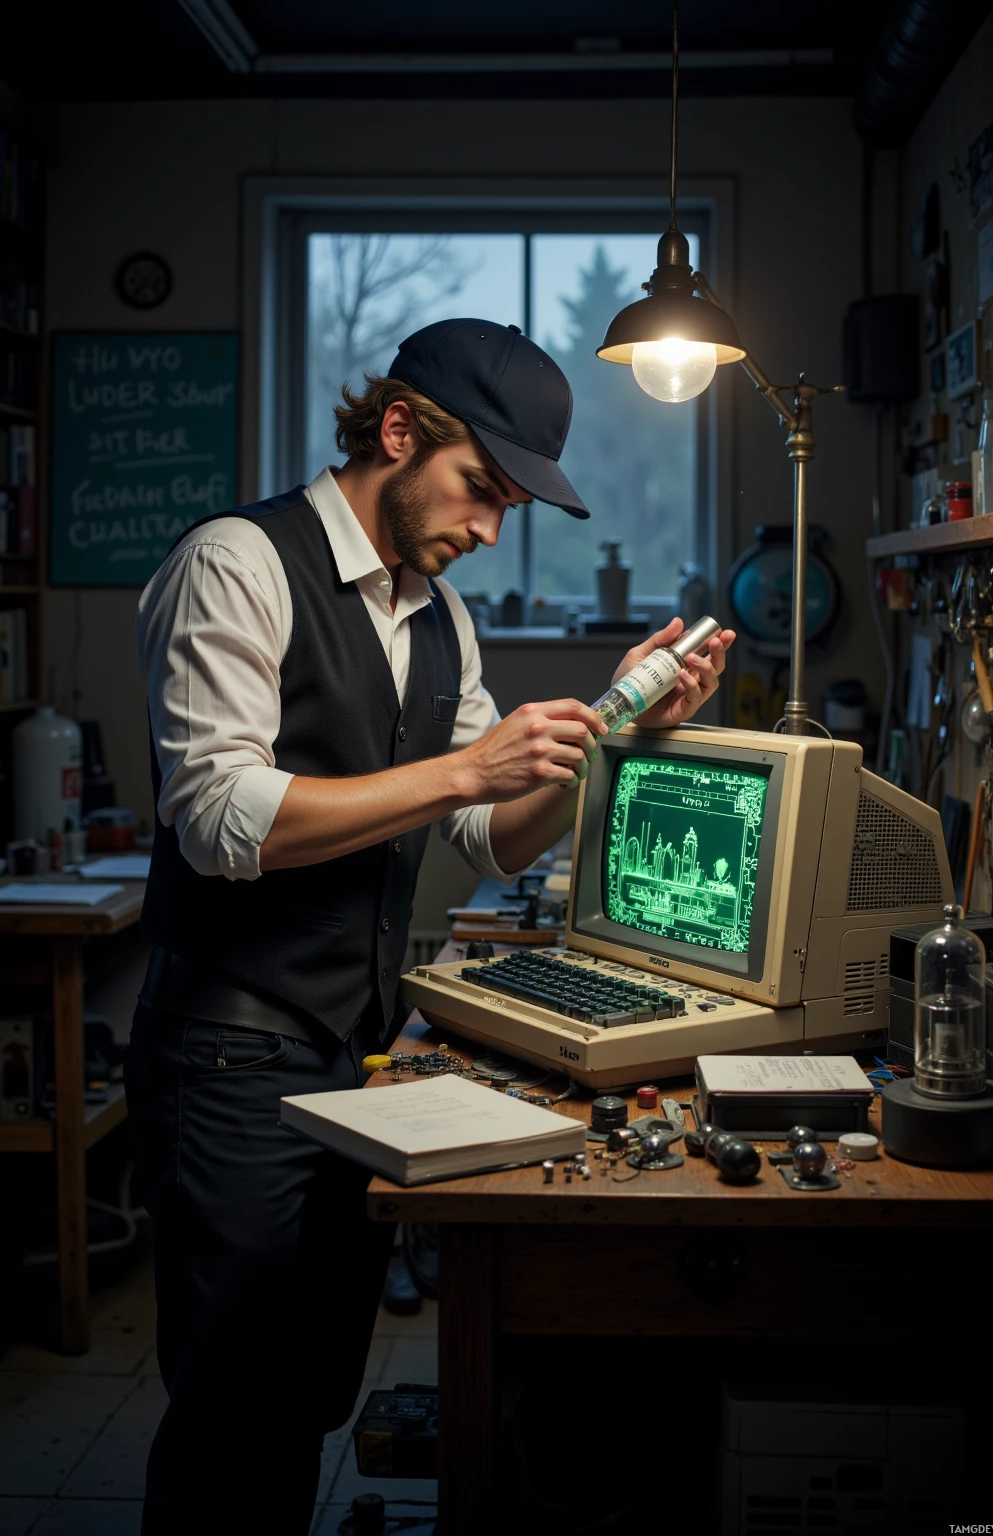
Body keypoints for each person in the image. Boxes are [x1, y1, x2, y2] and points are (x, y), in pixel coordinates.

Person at [127, 317, 734, 1532]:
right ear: (397, 432)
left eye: (509, 505)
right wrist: (468, 771)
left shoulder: (433, 615)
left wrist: (611, 736)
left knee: (306, 1399)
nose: (488, 529)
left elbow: (487, 837)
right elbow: (218, 816)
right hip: (225, 1052)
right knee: (230, 1422)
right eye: (480, 490)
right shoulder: (236, 563)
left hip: (351, 1051)